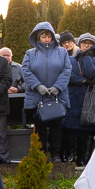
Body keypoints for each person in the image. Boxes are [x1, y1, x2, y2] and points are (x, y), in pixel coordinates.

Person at [22, 22, 71, 162]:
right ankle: (41, 155)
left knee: (57, 129)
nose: (46, 39)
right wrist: (38, 86)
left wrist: (57, 87)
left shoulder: (62, 52)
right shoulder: (30, 53)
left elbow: (67, 70)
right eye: (43, 36)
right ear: (38, 37)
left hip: (57, 97)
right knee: (40, 129)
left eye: (48, 36)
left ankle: (56, 155)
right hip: (38, 97)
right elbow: (26, 71)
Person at [62, 33, 95, 165]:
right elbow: (68, 76)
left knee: (87, 129)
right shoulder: (71, 59)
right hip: (73, 98)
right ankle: (70, 156)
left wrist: (87, 56)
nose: (87, 45)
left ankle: (85, 158)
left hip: (89, 100)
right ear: (80, 44)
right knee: (71, 128)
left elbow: (91, 73)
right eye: (84, 43)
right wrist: (83, 80)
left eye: (90, 43)